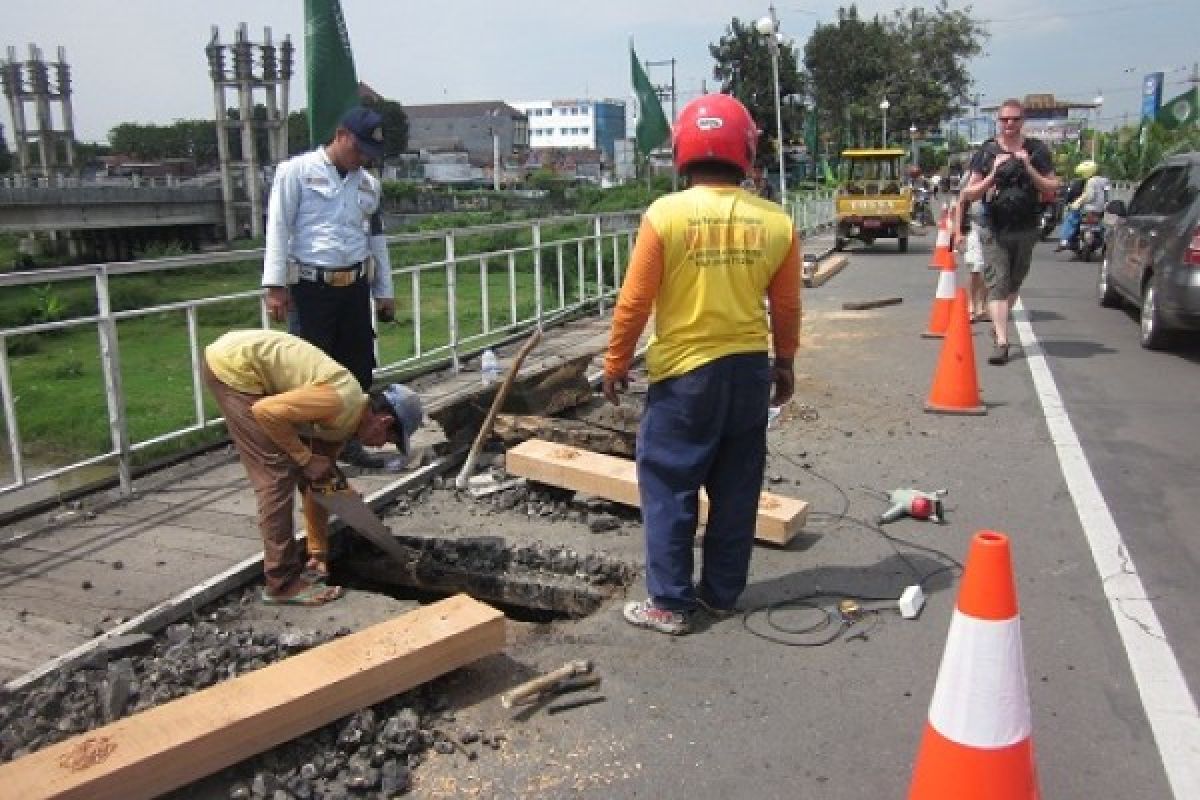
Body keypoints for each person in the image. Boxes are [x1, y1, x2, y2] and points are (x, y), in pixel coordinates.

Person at [602, 94, 801, 636]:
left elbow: (634, 302)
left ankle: (669, 603)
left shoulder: (665, 215)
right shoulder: (777, 222)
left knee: (669, 483)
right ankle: (721, 594)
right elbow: (786, 306)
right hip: (748, 372)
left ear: (683, 149)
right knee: (737, 487)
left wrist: (616, 362)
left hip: (686, 377)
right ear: (746, 150)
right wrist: (784, 363)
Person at [203, 329, 423, 605]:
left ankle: (301, 564)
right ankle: (281, 584)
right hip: (235, 366)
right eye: (388, 440)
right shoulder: (340, 402)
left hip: (252, 368)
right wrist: (305, 459)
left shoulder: (344, 425)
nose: (380, 447)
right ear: (384, 421)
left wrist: (317, 552)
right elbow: (266, 412)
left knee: (314, 472)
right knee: (276, 477)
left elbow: (318, 484)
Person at [262, 106, 396, 467]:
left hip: (354, 287)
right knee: (309, 372)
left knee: (357, 370)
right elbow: (278, 227)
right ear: (341, 136)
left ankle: (346, 444)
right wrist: (275, 285)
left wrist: (385, 290)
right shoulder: (296, 172)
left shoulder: (368, 184)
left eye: (369, 154)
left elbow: (376, 239)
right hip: (311, 288)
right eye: (359, 150)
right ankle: (304, 451)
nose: (363, 159)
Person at [960, 98, 1060, 365]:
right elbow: (969, 192)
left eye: (1015, 119)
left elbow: (1051, 187)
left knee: (1013, 284)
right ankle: (1002, 342)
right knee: (997, 284)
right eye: (1005, 120)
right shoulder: (987, 152)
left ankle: (998, 323)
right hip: (994, 227)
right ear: (998, 122)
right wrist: (993, 173)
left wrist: (1027, 166)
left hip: (1026, 227)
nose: (1010, 124)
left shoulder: (1036, 150)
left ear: (1022, 121)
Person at [952, 183, 989, 322]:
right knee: (975, 269)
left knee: (988, 270)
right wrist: (958, 232)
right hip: (974, 228)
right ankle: (971, 304)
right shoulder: (973, 178)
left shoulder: (1002, 174)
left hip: (994, 230)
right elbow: (960, 203)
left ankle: (982, 305)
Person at [1058, 160, 1110, 251]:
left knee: (1070, 219)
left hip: (1087, 209)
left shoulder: (1089, 182)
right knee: (1103, 225)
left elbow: (1089, 196)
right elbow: (1107, 195)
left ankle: (1064, 241)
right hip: (1100, 210)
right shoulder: (1105, 181)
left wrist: (1077, 203)